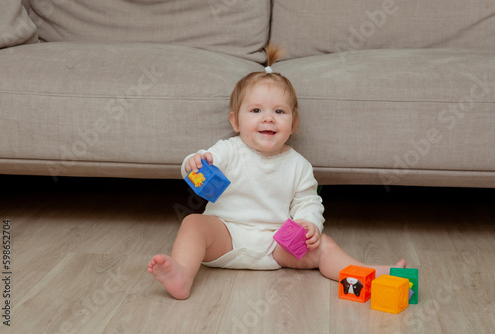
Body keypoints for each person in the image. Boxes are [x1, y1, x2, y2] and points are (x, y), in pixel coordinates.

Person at [148, 44, 406, 300]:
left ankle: (367, 272)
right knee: (193, 222)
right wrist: (193, 162)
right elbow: (198, 166)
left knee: (324, 245)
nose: (268, 118)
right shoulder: (229, 150)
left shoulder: (298, 165)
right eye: (256, 110)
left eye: (279, 111)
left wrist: (310, 224)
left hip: (277, 245)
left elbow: (308, 201)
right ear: (235, 121)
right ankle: (182, 274)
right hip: (226, 237)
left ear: (292, 124)